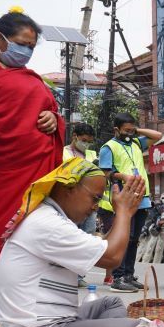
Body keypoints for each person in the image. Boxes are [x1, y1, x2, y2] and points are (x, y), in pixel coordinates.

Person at [0, 157, 145, 327]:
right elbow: (112, 257)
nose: (95, 207)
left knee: (110, 304)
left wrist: (123, 212)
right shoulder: (48, 224)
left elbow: (104, 247)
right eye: (94, 198)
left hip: (56, 325)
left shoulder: (51, 218)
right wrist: (124, 212)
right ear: (69, 188)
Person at [0, 9, 64, 258]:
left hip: (33, 180)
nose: (26, 52)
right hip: (3, 176)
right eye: (22, 44)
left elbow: (51, 112)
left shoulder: (32, 79)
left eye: (31, 47)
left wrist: (54, 119)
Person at [98, 112, 162, 292]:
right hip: (125, 198)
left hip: (142, 197)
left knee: (134, 239)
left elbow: (158, 136)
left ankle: (128, 275)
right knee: (124, 238)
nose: (129, 133)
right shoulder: (108, 147)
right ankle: (117, 278)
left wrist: (136, 130)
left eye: (131, 130)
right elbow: (105, 172)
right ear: (116, 130)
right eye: (125, 130)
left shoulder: (135, 142)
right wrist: (123, 176)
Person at [63, 123, 99, 287]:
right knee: (70, 238)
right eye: (84, 140)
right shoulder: (63, 152)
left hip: (90, 202)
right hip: (70, 202)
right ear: (75, 136)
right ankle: (65, 275)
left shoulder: (91, 154)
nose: (86, 144)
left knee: (87, 237)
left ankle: (78, 275)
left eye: (89, 141)